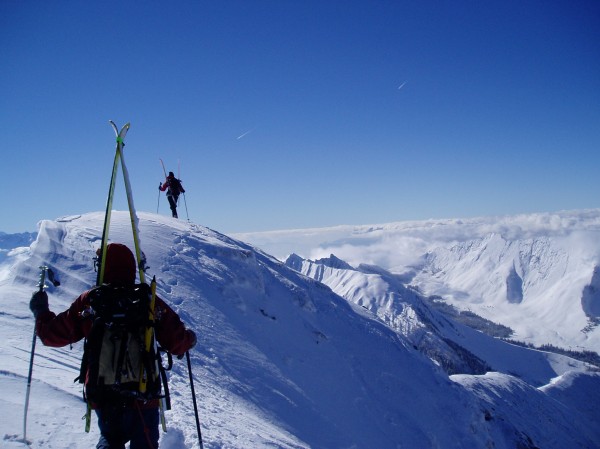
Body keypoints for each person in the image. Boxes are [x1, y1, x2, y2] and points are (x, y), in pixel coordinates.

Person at [29, 243, 196, 449]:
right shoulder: (148, 300)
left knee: (110, 439)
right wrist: (190, 338)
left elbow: (52, 335)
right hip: (144, 395)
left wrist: (41, 312)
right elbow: (177, 342)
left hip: (104, 394)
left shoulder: (91, 301)